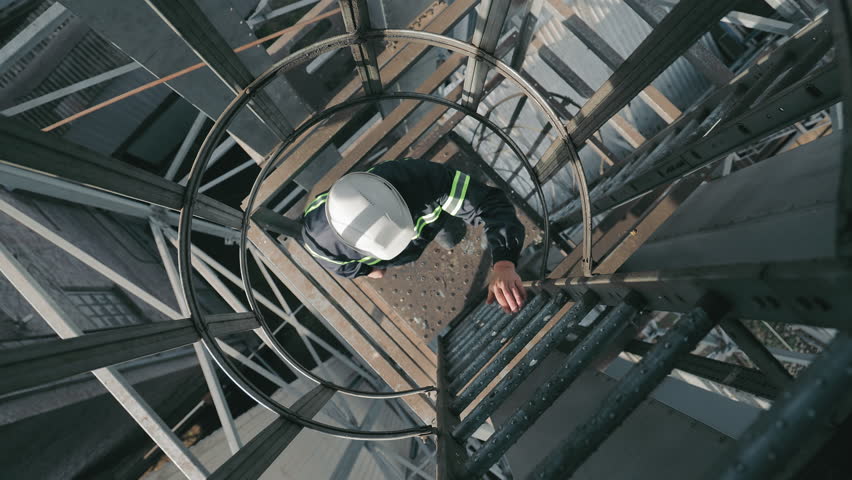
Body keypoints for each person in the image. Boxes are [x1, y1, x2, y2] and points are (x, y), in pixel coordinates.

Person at [301, 158, 527, 314]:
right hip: (427, 225)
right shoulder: (419, 179)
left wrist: (504, 264)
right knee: (449, 234)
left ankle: (447, 230)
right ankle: (446, 229)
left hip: (424, 228)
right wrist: (504, 265)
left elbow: (489, 204)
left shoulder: (320, 245)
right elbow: (489, 206)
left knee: (449, 235)